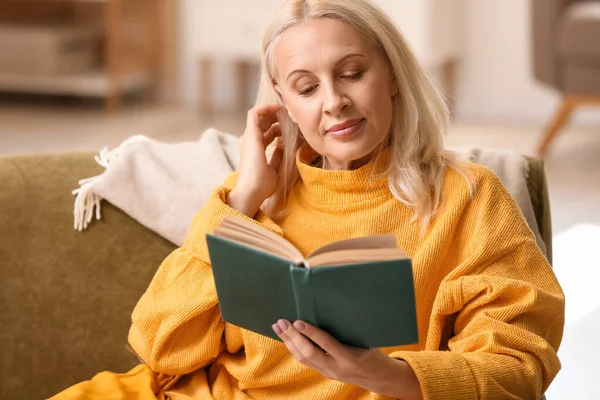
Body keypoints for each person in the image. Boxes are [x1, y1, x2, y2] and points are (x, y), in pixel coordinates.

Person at [51, 0, 564, 399]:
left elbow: (521, 367)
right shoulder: (253, 197)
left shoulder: (468, 197)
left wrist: (389, 375)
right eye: (305, 86)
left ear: (390, 74)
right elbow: (158, 344)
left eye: (351, 72)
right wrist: (243, 198)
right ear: (283, 102)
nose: (334, 101)